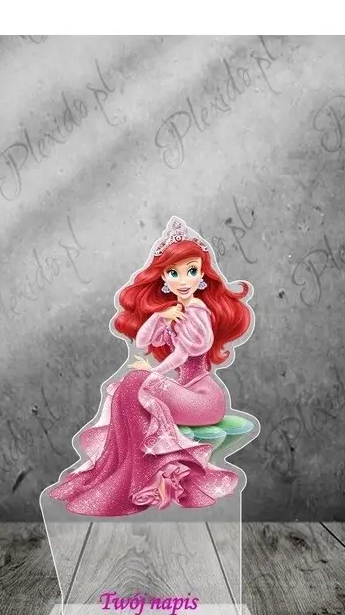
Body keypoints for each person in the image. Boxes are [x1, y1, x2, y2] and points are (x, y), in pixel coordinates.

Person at [48, 217, 253, 516]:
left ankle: (145, 477)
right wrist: (159, 316)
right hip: (186, 392)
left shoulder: (198, 312)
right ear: (164, 279)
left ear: (202, 275)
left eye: (191, 271)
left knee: (135, 383)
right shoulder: (176, 311)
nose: (183, 280)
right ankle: (126, 473)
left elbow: (182, 356)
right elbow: (143, 340)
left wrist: (152, 374)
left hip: (204, 399)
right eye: (174, 273)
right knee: (129, 385)